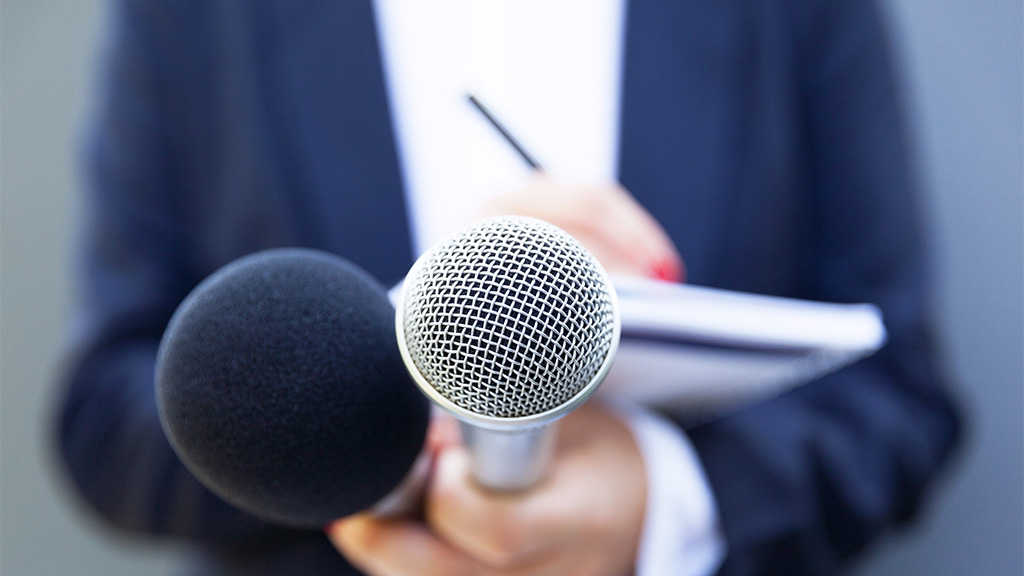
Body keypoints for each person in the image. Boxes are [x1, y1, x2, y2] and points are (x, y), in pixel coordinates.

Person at [54, 1, 961, 575]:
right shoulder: (188, 18)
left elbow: (900, 397)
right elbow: (109, 423)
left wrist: (663, 501)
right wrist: (383, 418)